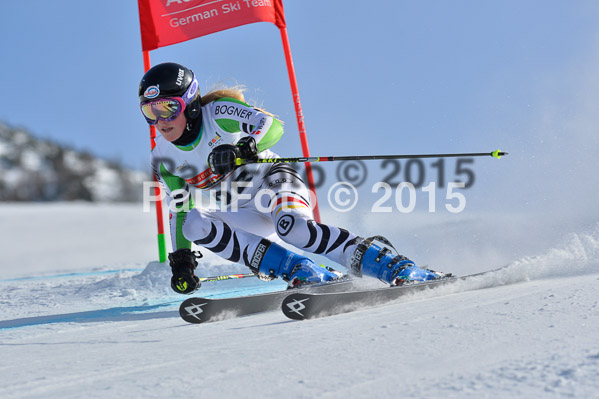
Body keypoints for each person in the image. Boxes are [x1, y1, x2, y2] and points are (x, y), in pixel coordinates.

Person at [139, 62, 444, 294]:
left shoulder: (217, 113)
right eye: (150, 113)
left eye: (168, 109)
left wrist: (244, 146)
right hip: (243, 210)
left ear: (190, 104)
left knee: (293, 230)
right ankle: (299, 268)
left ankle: (396, 266)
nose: (160, 121)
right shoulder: (163, 157)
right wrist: (181, 261)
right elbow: (179, 209)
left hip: (273, 182)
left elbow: (271, 125)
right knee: (194, 222)